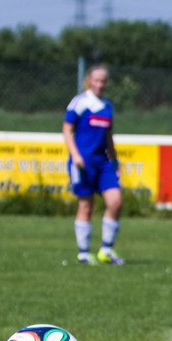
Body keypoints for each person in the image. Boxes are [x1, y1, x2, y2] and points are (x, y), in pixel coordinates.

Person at [62, 64, 124, 265]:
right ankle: (83, 253)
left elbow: (108, 136)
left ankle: (106, 250)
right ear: (89, 80)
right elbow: (67, 129)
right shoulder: (79, 102)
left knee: (115, 201)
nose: (100, 84)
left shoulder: (107, 106)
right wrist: (76, 155)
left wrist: (114, 160)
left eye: (103, 81)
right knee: (86, 206)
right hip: (83, 162)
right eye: (96, 80)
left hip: (104, 162)